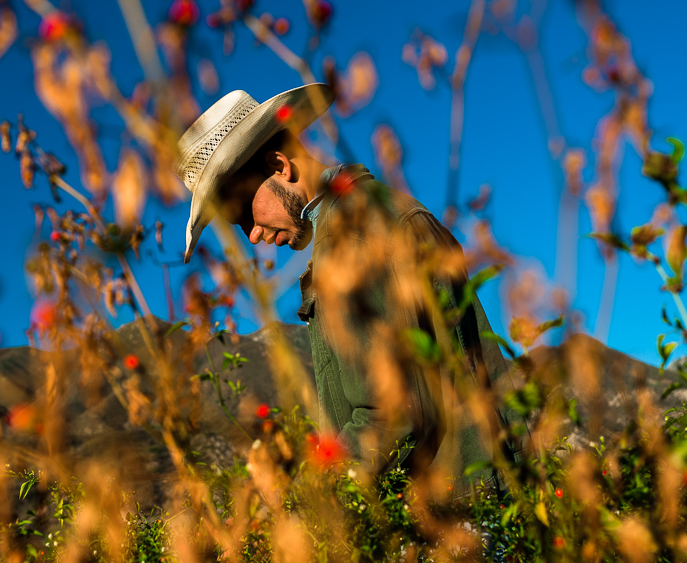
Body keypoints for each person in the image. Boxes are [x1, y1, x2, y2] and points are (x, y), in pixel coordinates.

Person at [176, 83, 521, 497]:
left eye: (242, 213)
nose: (251, 236)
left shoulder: (355, 233)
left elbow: (389, 413)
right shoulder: (363, 219)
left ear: (279, 165)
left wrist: (311, 510)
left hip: (459, 511)